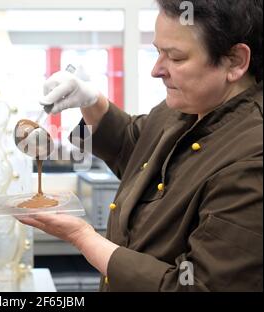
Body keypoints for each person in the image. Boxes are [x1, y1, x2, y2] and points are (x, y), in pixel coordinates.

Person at [18, 0, 263, 291]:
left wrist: (84, 238)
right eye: (158, 51)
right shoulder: (187, 105)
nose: (156, 70)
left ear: (234, 61)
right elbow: (134, 147)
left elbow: (198, 286)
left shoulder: (251, 157)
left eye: (176, 57)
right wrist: (91, 101)